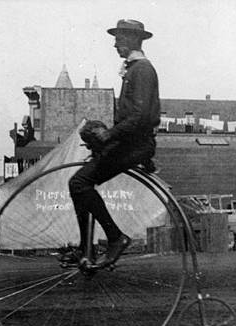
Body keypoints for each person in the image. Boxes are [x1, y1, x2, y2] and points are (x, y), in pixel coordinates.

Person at [63, 19, 161, 268]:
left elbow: (141, 117)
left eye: (119, 38)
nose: (115, 43)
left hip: (134, 145)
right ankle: (87, 249)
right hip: (131, 144)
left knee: (79, 182)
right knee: (79, 184)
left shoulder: (142, 70)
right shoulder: (133, 70)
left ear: (133, 40)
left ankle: (116, 238)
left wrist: (110, 136)